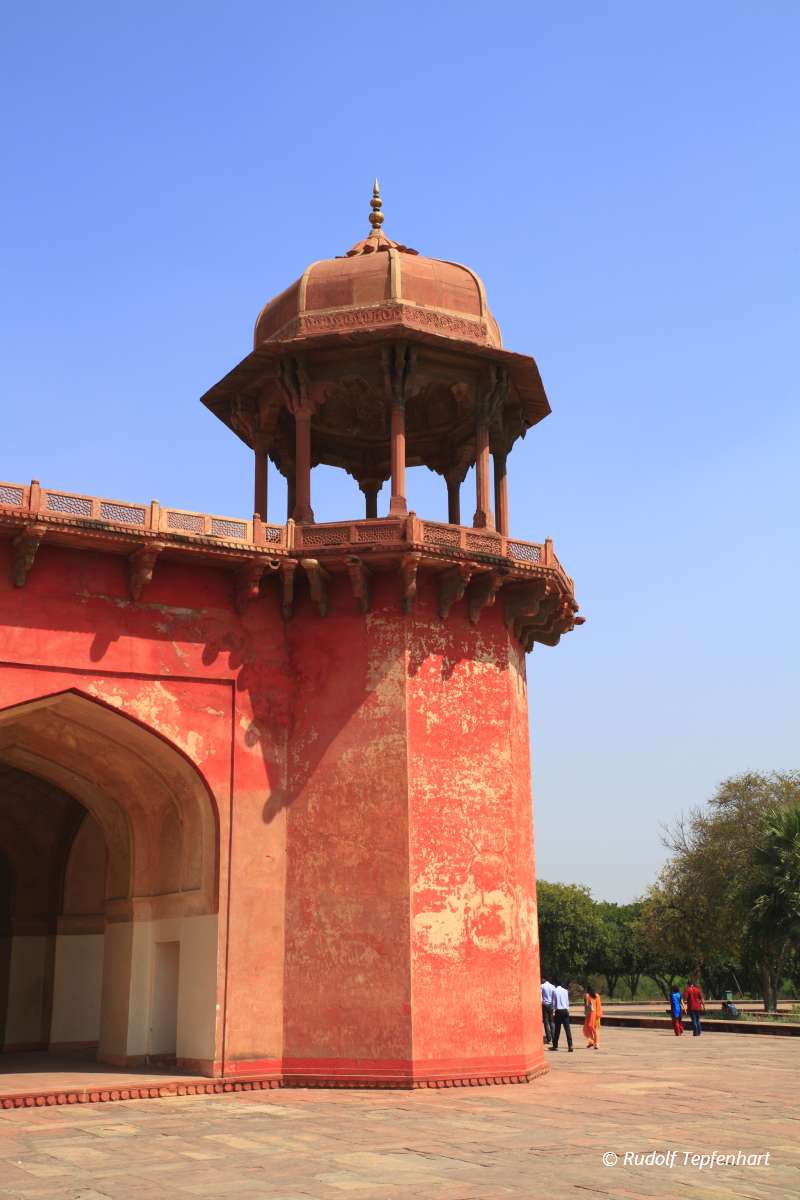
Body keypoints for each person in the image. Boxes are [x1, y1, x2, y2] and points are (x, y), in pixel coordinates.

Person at [550, 979, 573, 1052]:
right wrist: (567, 1009)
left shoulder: (555, 991)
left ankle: (555, 1045)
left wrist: (553, 1011)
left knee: (557, 1029)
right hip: (565, 1010)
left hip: (558, 1011)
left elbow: (553, 1003)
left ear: (556, 984)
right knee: (567, 1029)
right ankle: (570, 1046)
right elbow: (567, 1001)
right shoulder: (565, 991)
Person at [541, 977, 556, 1045]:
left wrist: (542, 1002)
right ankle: (553, 1038)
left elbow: (539, 995)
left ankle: (549, 1039)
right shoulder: (552, 986)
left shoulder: (542, 986)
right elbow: (554, 996)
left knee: (546, 1022)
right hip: (551, 1005)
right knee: (552, 1021)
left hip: (545, 1005)